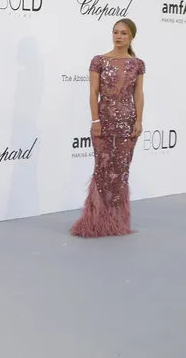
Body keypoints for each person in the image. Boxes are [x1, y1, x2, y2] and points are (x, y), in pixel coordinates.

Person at [70, 18, 145, 238]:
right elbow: (93, 93)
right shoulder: (99, 61)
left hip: (128, 122)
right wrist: (95, 121)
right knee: (102, 169)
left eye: (123, 33)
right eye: (115, 32)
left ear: (131, 36)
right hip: (104, 119)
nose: (118, 36)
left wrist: (139, 120)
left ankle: (117, 221)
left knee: (121, 172)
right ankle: (95, 221)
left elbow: (138, 95)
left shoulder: (138, 64)